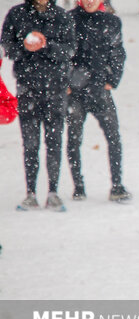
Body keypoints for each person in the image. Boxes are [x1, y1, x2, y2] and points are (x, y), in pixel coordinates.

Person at [1, 0, 77, 212]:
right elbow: (6, 46)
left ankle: (53, 191)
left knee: (54, 141)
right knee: (30, 143)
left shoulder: (63, 17)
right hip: (28, 88)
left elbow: (70, 50)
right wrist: (23, 47)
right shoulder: (17, 14)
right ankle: (30, 192)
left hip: (56, 89)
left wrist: (46, 45)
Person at [66, 0, 131, 202]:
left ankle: (117, 184)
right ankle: (78, 186)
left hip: (100, 90)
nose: (90, 1)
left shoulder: (111, 22)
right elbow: (63, 54)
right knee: (74, 138)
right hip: (75, 92)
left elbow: (118, 52)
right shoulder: (69, 19)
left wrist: (112, 79)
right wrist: (67, 82)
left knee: (113, 137)